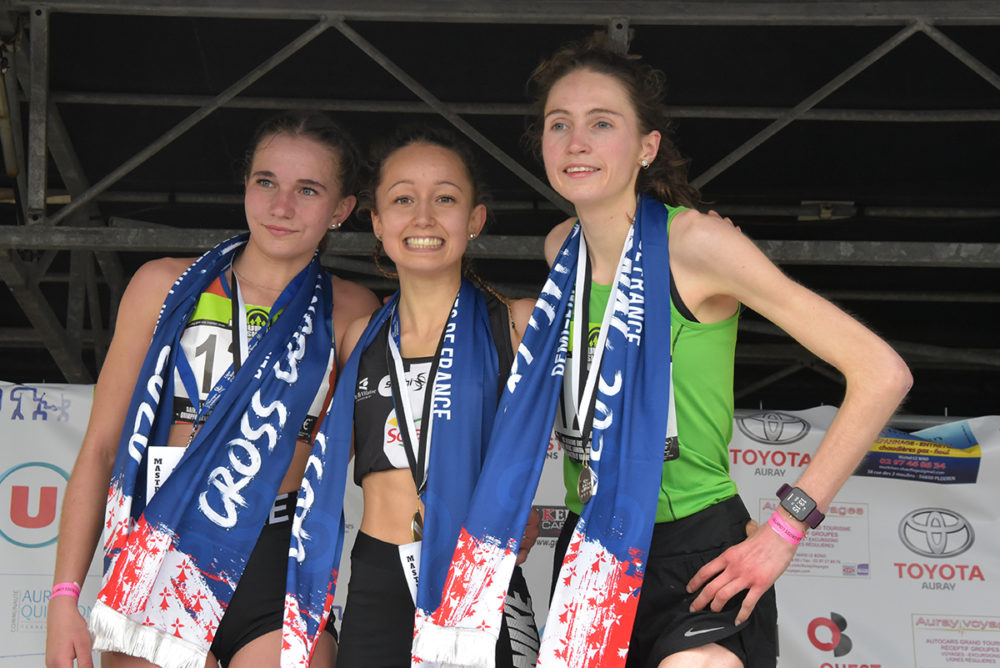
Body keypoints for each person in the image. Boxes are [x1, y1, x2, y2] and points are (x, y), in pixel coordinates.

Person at [410, 33, 911, 668]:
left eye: (601, 123)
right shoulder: (561, 247)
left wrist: (786, 531)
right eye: (559, 124)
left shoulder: (696, 245)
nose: (576, 141)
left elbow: (882, 373)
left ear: (646, 147)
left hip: (694, 552)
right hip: (587, 549)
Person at [44, 110, 380, 668]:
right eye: (266, 182)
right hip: (160, 548)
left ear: (342, 209)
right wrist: (63, 597)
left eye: (308, 190)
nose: (281, 206)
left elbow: (361, 446)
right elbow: (101, 447)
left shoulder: (351, 309)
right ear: (245, 184)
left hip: (276, 558)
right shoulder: (163, 284)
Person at [329, 125, 539, 667]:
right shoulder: (360, 337)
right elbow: (319, 464)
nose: (423, 217)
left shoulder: (517, 324)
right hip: (379, 575)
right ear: (377, 222)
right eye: (403, 199)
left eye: (445, 198)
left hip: (477, 567)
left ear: (475, 220)